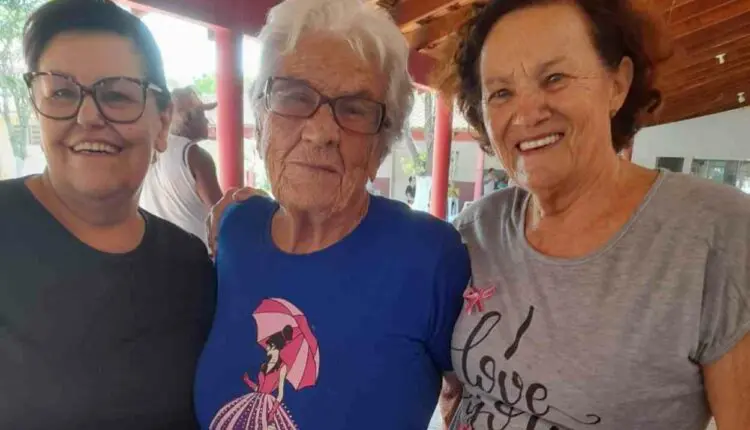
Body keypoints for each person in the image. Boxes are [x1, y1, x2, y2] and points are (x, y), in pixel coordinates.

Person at [434, 1, 750, 429]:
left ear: (617, 85)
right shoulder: (476, 231)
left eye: (555, 79)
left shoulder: (718, 232)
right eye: (501, 93)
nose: (526, 113)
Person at [194, 0, 470, 428]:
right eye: (294, 96)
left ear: (382, 144)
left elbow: (471, 392)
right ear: (261, 118)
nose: (321, 132)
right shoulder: (236, 229)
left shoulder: (428, 256)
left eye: (355, 109)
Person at [0, 1, 216, 428]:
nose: (87, 117)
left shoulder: (190, 265)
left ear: (162, 123)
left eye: (116, 95)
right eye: (61, 92)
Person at [140, 86, 223, 247]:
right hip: (193, 255)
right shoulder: (195, 156)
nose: (207, 120)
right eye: (202, 114)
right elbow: (221, 215)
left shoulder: (149, 151)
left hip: (154, 253)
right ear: (188, 119)